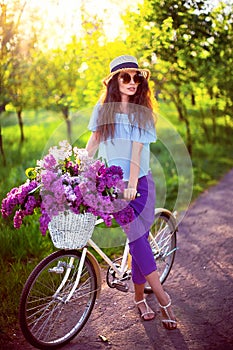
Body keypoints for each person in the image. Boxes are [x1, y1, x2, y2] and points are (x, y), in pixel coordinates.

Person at [86, 55, 177, 330]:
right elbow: (93, 141)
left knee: (139, 241)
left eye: (137, 77)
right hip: (113, 184)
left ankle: (140, 298)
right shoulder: (102, 111)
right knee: (137, 237)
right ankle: (162, 297)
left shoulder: (143, 112)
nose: (132, 82)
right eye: (125, 77)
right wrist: (76, 165)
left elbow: (137, 150)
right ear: (114, 81)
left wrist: (134, 184)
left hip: (140, 183)